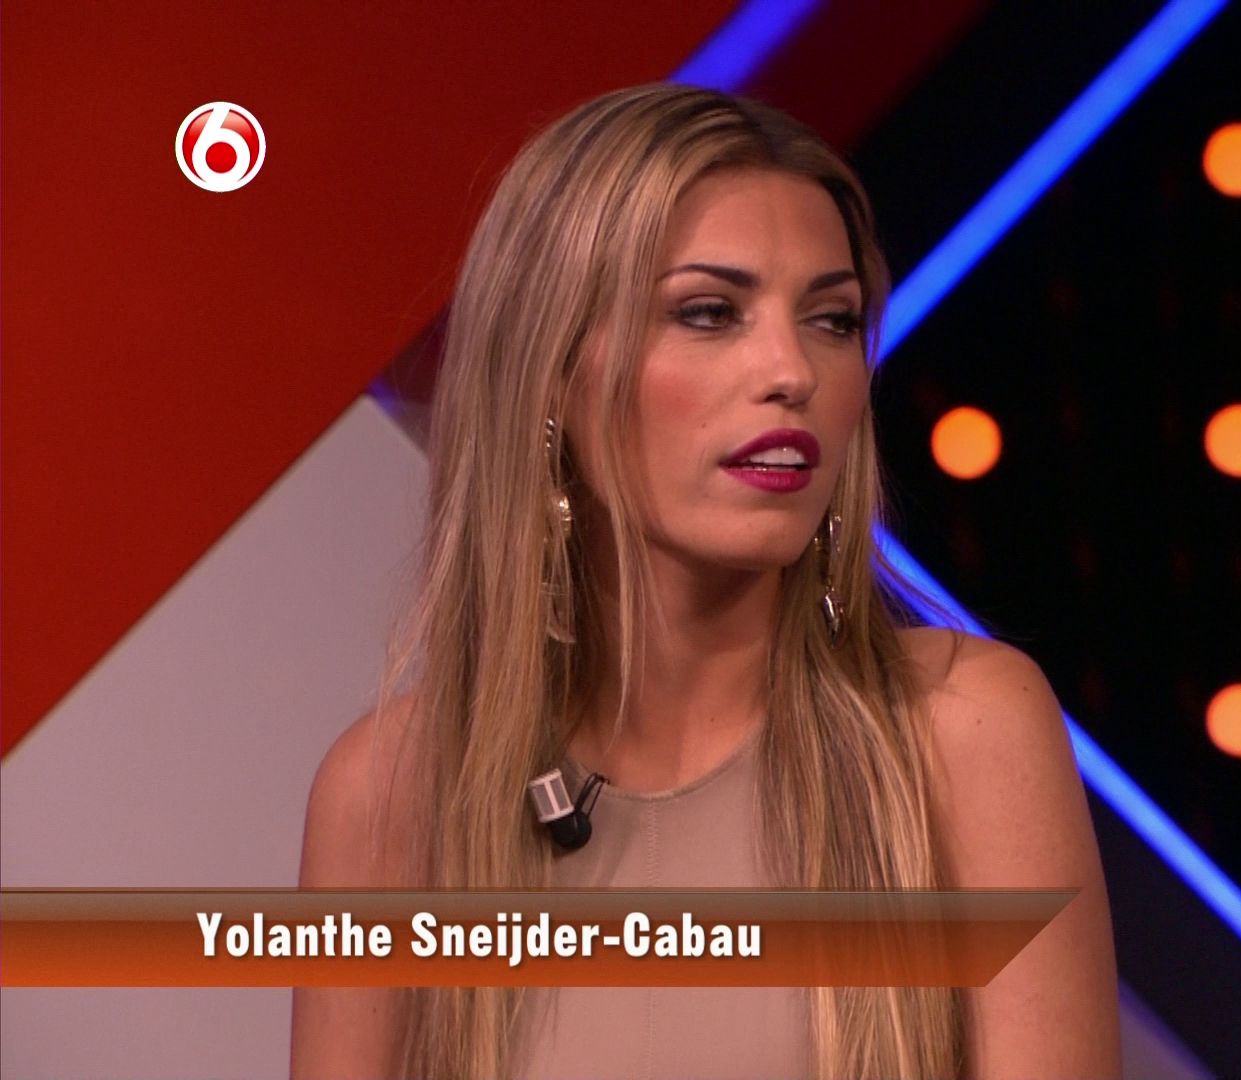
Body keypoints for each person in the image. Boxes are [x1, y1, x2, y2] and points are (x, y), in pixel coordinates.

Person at [289, 82, 1120, 1079]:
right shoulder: (391, 795)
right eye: (710, 312)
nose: (792, 372)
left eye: (831, 319)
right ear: (552, 370)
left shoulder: (962, 730)